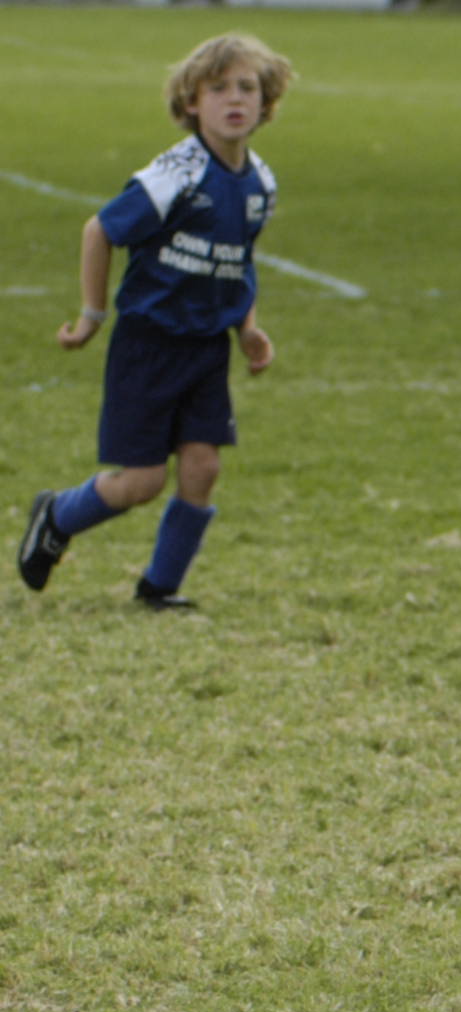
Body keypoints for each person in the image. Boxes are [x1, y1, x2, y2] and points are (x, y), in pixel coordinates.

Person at [18, 35, 296, 611]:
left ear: (266, 102)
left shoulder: (261, 184)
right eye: (218, 88)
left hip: (207, 348)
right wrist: (92, 315)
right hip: (149, 344)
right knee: (142, 482)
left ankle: (160, 587)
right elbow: (100, 230)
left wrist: (247, 328)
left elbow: (236, 262)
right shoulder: (176, 175)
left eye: (247, 88)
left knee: (203, 467)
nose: (235, 99)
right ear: (192, 102)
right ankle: (58, 515)